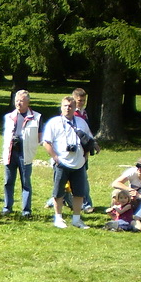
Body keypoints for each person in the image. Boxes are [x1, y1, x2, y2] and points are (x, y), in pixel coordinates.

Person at [42, 95, 96, 229]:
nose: (68, 108)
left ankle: (76, 219)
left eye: (71, 106)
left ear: (75, 108)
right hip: (62, 162)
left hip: (79, 163)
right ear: (61, 107)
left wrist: (86, 156)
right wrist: (55, 158)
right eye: (65, 106)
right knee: (58, 192)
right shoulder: (54, 122)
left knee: (79, 193)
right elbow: (46, 142)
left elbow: (89, 140)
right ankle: (58, 218)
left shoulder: (81, 122)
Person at [1, 90, 41, 217]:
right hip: (11, 152)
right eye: (17, 100)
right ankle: (7, 207)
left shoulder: (36, 117)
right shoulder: (8, 117)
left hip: (25, 153)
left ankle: (26, 210)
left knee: (26, 182)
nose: (19, 103)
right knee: (8, 181)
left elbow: (40, 137)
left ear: (28, 102)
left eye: (22, 101)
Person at [73, 88, 95, 213]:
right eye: (79, 100)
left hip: (83, 149)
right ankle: (86, 204)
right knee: (78, 177)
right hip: (75, 150)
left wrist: (93, 143)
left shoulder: (84, 113)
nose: (81, 103)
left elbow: (86, 131)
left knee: (80, 176)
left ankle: (84, 202)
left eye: (83, 100)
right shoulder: (73, 114)